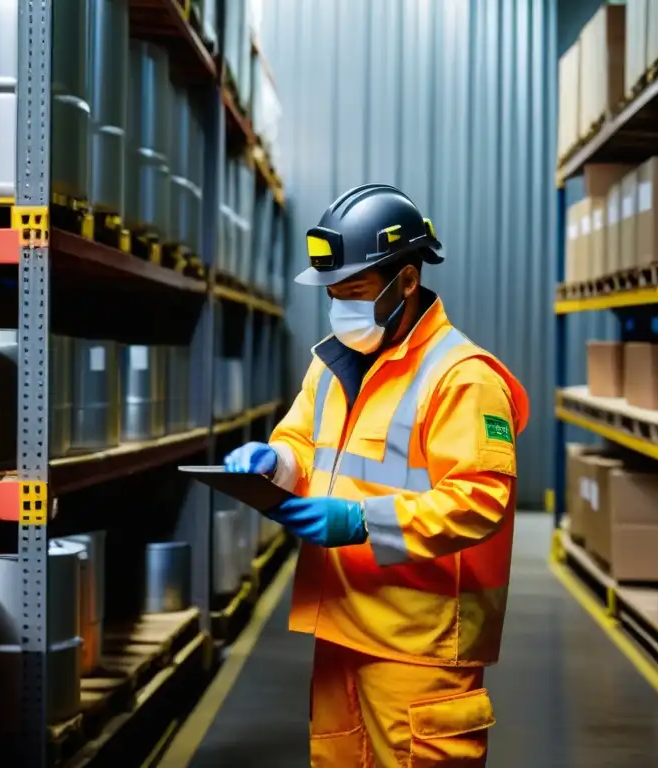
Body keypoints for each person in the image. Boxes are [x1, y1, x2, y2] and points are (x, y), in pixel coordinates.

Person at [224, 183, 530, 767]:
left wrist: (360, 520)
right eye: (334, 292)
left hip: (418, 645)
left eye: (356, 290)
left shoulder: (463, 377)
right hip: (341, 625)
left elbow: (479, 499)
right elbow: (300, 442)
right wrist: (275, 464)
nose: (341, 305)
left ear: (407, 281)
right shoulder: (332, 363)